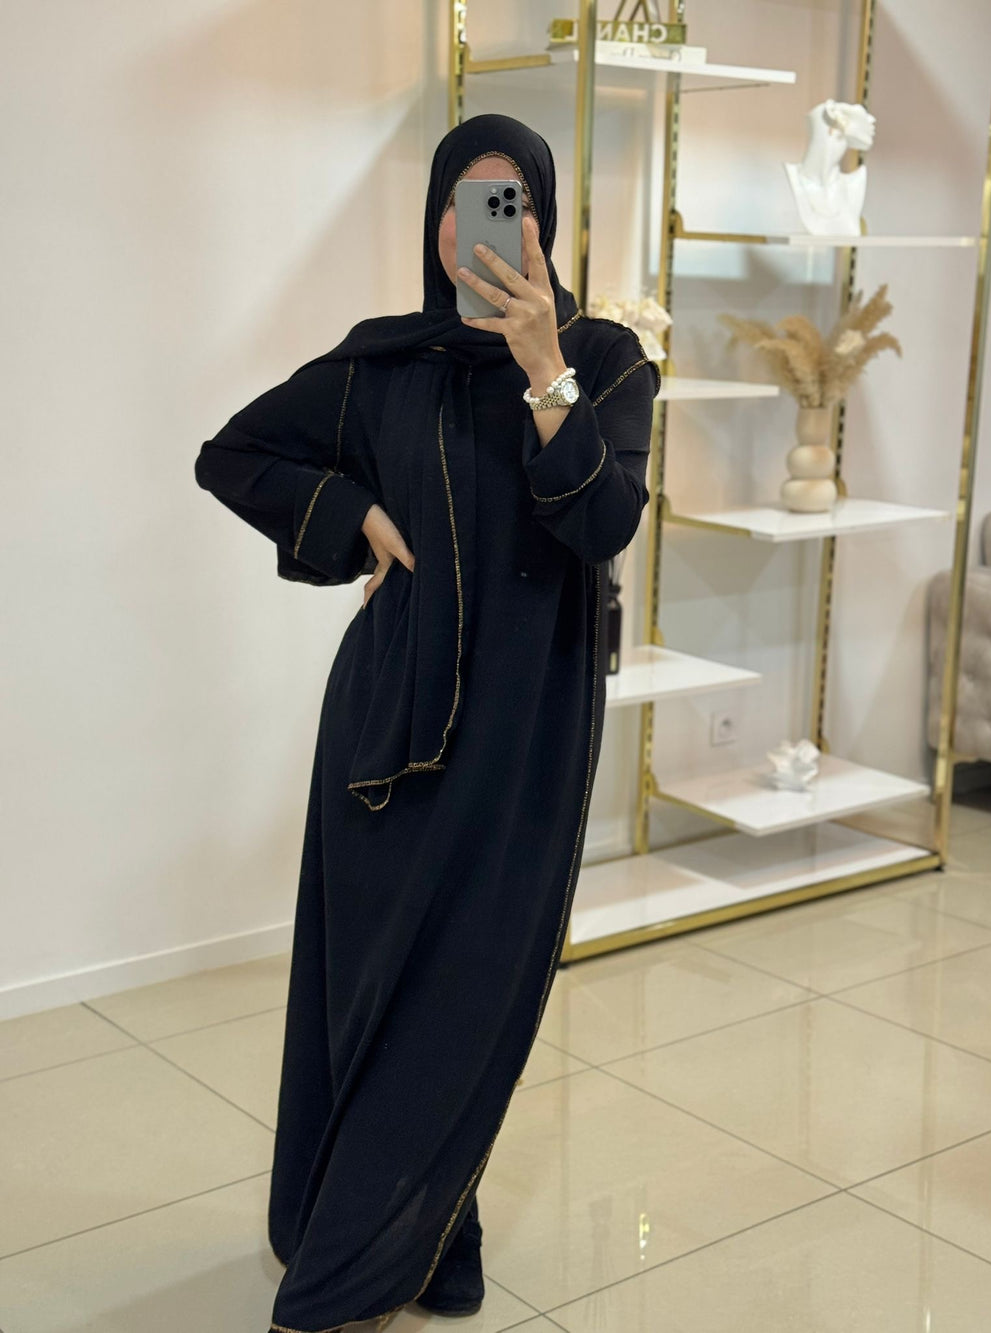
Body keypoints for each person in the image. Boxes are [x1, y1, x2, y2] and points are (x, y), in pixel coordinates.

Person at [194, 112, 660, 1333]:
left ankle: (371, 1262)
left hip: (527, 731)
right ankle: (404, 1242)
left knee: (468, 997)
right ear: (437, 223)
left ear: (545, 223)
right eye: (468, 202)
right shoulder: (384, 364)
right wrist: (353, 516)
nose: (488, 227)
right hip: (387, 722)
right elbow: (232, 454)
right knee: (371, 988)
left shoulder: (605, 359)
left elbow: (603, 525)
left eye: (515, 203)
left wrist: (542, 365)